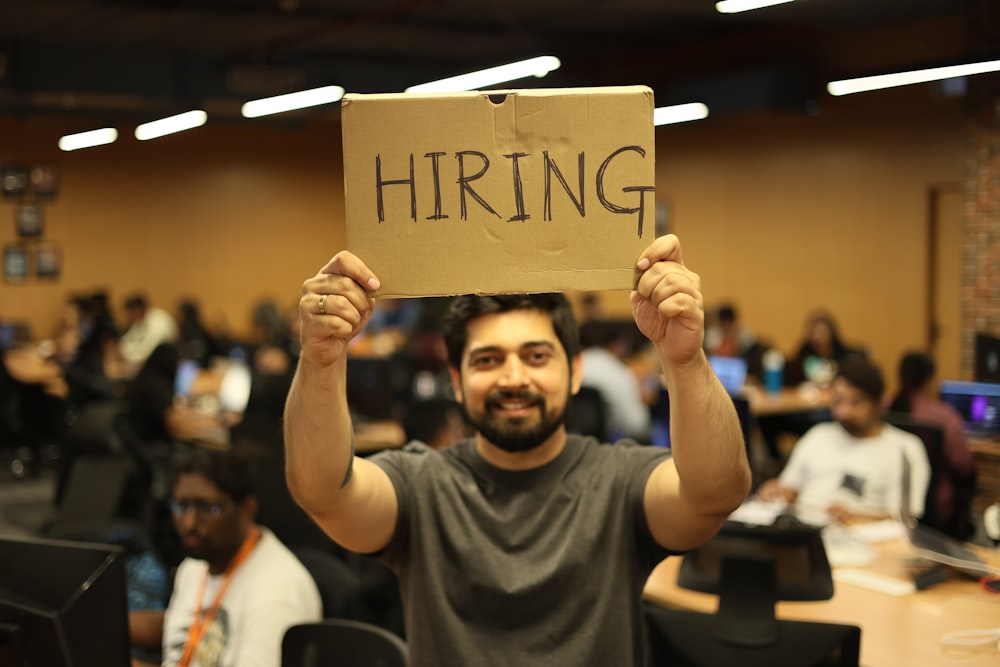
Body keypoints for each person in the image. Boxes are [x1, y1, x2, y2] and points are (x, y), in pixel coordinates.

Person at [283, 234, 752, 666]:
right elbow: (323, 490)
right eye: (488, 360)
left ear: (574, 372)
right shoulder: (422, 486)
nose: (513, 378)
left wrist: (685, 361)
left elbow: (716, 491)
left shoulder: (619, 480)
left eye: (536, 356)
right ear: (456, 382)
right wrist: (321, 360)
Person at [130, 448, 322, 667]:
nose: (190, 523)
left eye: (208, 508)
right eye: (181, 506)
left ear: (248, 508)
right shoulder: (195, 565)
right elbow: (183, 632)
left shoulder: (278, 590)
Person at [758, 355, 931, 524]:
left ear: (878, 404)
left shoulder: (906, 447)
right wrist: (777, 491)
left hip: (865, 541)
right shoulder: (818, 435)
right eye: (838, 401)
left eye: (855, 403)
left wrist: (855, 518)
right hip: (805, 531)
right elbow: (789, 487)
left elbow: (904, 518)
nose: (843, 412)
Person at [886, 351, 976, 537]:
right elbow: (964, 467)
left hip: (890, 499)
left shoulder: (882, 408)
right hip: (933, 504)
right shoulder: (944, 417)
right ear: (929, 380)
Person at [578, 319, 652, 442]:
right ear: (616, 345)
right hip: (609, 445)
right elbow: (638, 426)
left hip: (571, 441)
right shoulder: (620, 373)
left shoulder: (575, 366)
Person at [119, 293, 179, 372]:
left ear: (137, 310)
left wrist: (127, 358)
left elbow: (150, 351)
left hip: (163, 367)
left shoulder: (159, 321)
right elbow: (127, 342)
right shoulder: (139, 321)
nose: (129, 318)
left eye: (130, 313)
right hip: (148, 365)